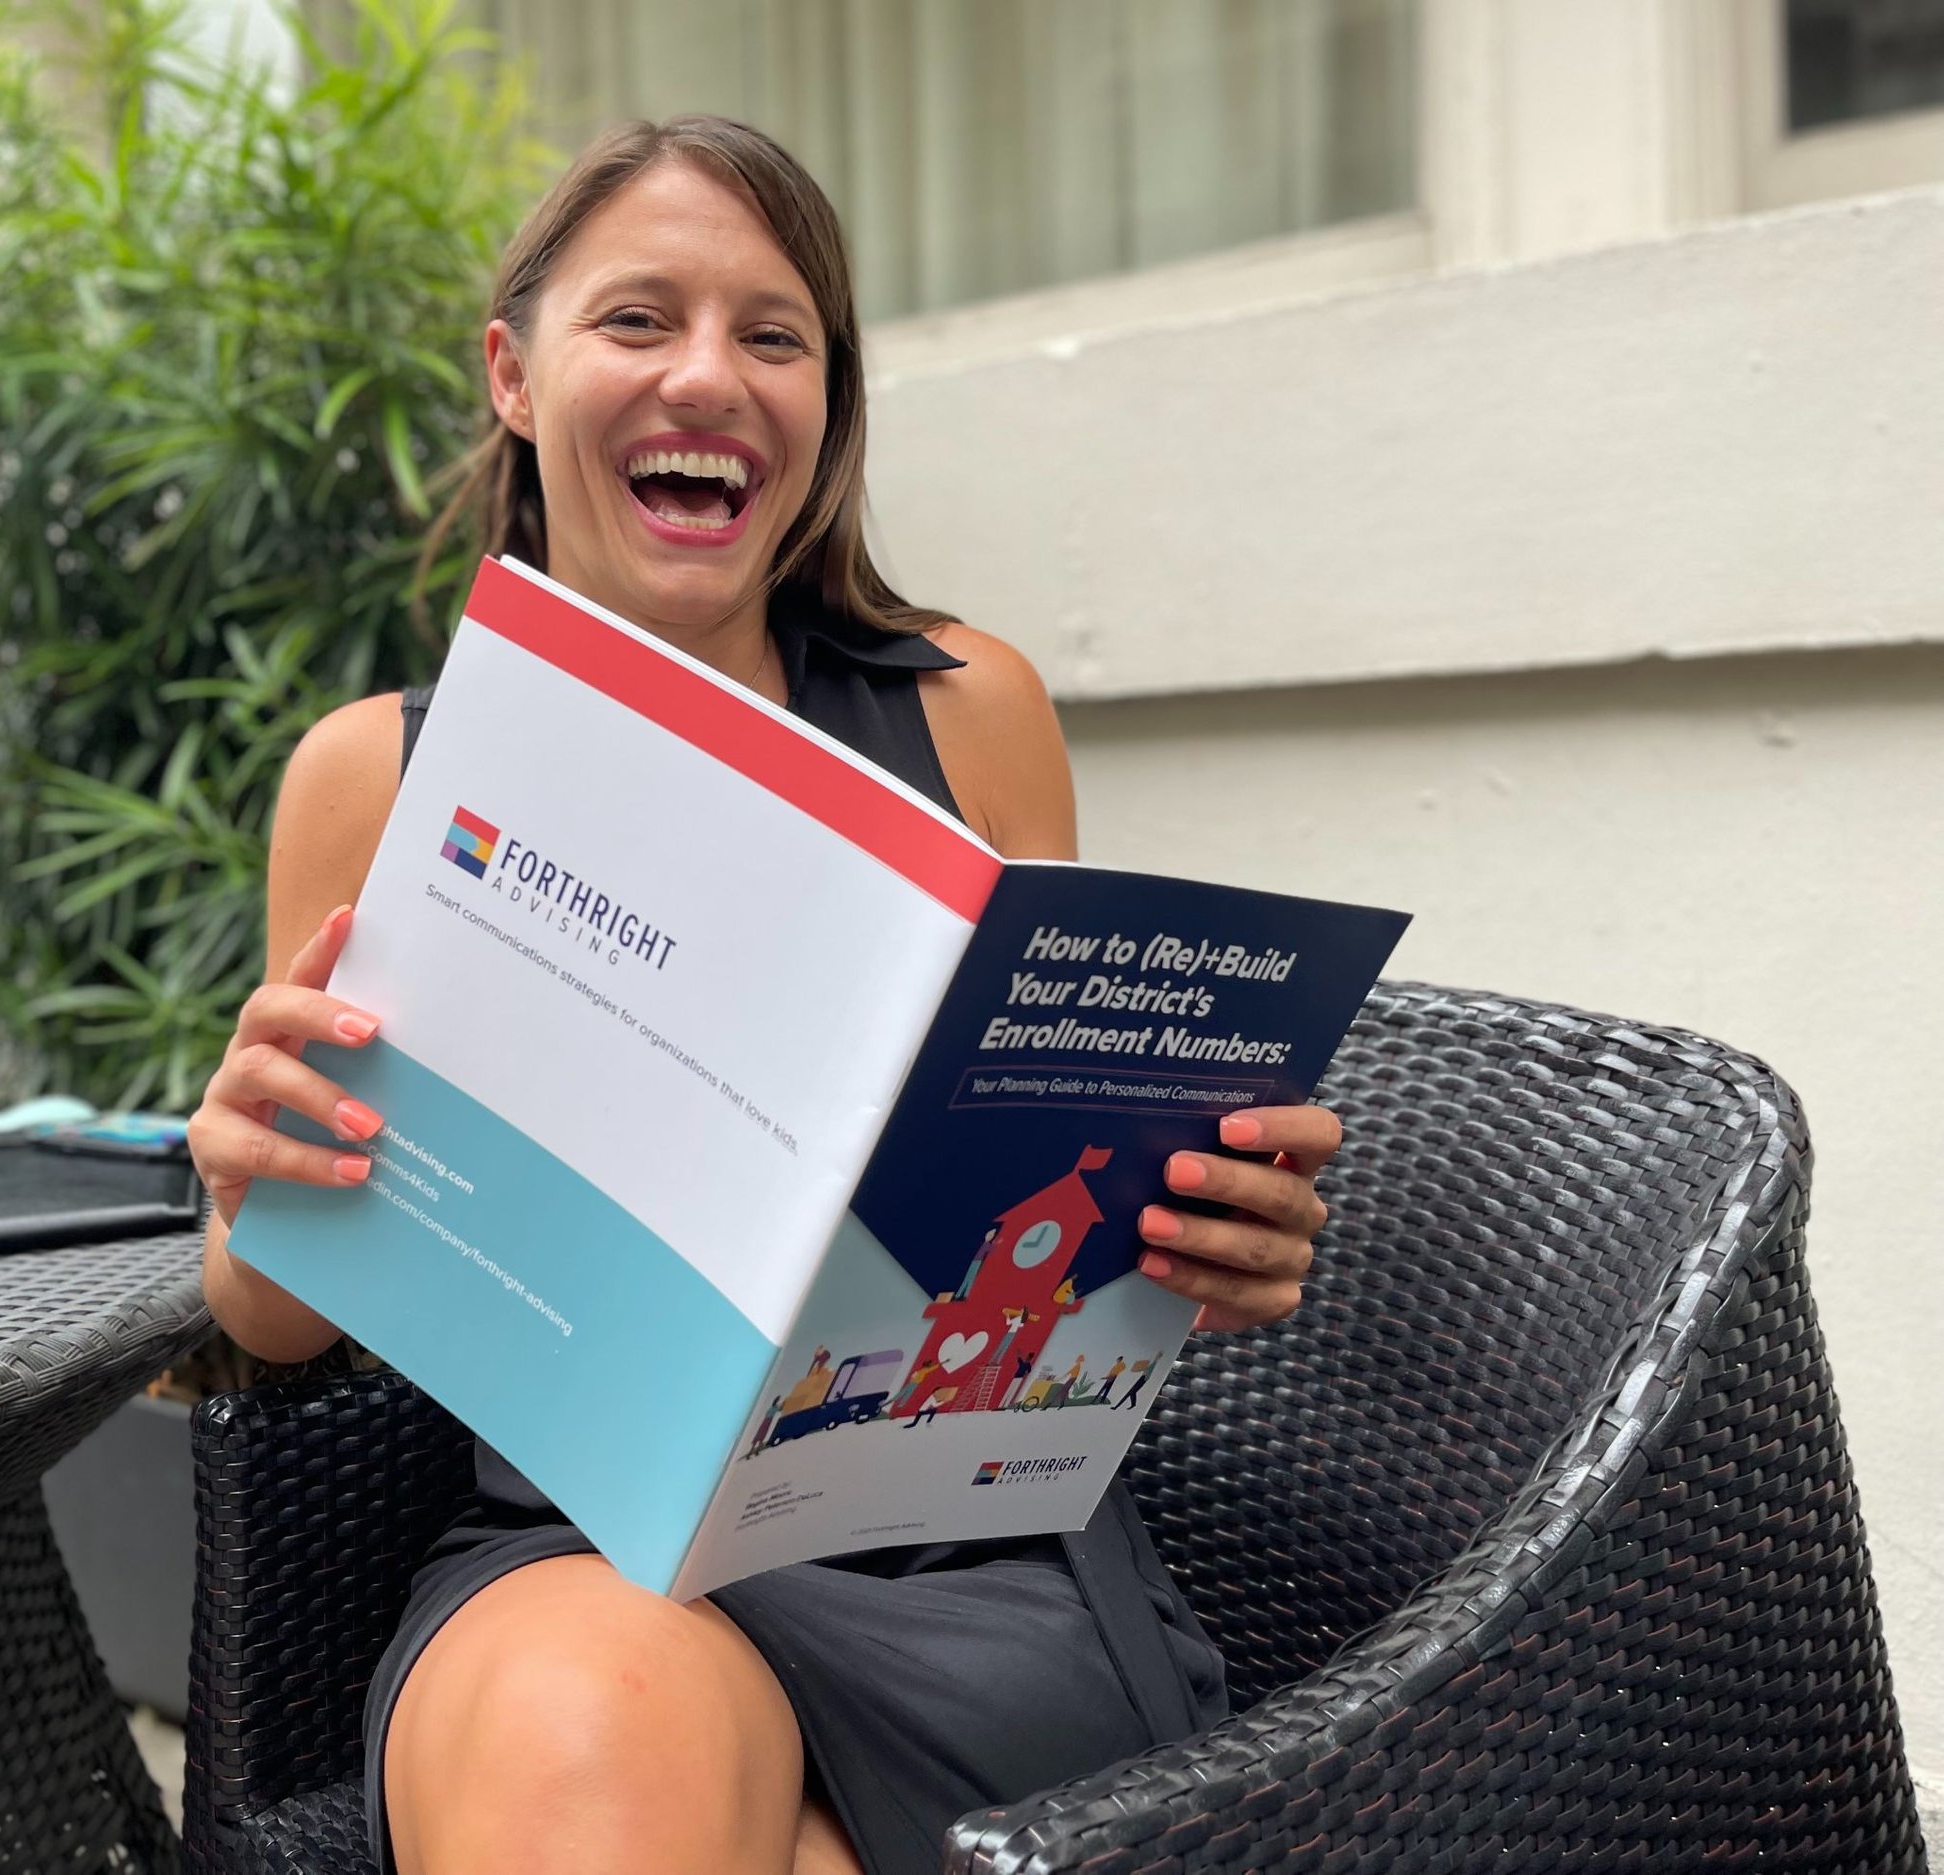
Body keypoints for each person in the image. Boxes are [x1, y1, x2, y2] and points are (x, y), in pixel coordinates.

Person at [185, 115, 1342, 1875]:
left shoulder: (972, 713)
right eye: (636, 320)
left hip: (969, 1561)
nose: (707, 377)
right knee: (581, 1746)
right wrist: (258, 1190)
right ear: (513, 373)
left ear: (827, 402)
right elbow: (281, 1327)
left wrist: (1208, 1240)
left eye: (773, 334)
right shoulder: (376, 782)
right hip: (576, 1546)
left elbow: (1071, 1211)